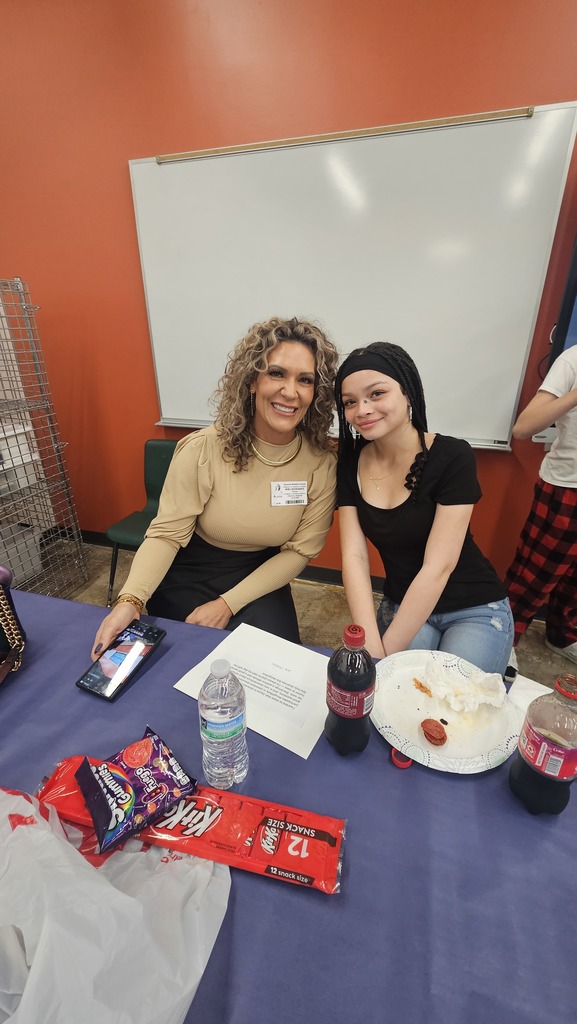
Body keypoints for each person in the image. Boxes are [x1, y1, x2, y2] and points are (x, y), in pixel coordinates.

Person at [91, 316, 338, 659]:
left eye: (305, 380)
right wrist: (131, 599)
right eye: (277, 373)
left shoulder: (320, 464)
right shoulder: (203, 449)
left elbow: (299, 553)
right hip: (189, 571)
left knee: (276, 667)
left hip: (260, 579)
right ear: (253, 380)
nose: (290, 391)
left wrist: (227, 604)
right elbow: (166, 535)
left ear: (316, 392)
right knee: (177, 669)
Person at [334, 342, 513, 675]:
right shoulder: (349, 463)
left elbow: (438, 567)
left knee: (452, 708)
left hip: (472, 605)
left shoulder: (453, 456)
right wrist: (372, 650)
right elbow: (354, 558)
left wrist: (388, 655)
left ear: (407, 392)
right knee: (393, 696)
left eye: (376, 394)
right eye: (350, 402)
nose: (362, 410)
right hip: (403, 603)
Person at [505, 344, 577, 664]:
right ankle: (504, 638)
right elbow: (524, 427)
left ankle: (562, 636)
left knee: (574, 583)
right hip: (568, 488)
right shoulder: (573, 359)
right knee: (532, 577)